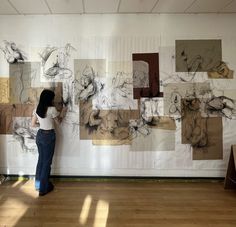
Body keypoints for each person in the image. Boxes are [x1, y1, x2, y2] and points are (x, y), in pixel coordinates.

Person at [31, 89, 67, 196]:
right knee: (47, 163)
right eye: (52, 98)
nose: (53, 100)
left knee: (41, 160)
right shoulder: (52, 110)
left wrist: (42, 126)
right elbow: (59, 122)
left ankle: (38, 185)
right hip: (48, 136)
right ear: (49, 99)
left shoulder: (37, 108)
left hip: (40, 135)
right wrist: (63, 112)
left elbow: (33, 124)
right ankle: (43, 189)